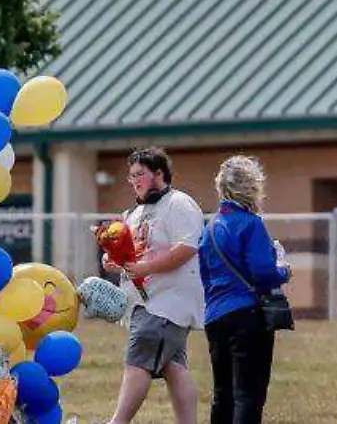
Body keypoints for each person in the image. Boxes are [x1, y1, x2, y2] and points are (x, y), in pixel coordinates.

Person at [104, 147, 206, 424]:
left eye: (140, 174)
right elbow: (132, 251)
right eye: (131, 176)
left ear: (159, 173)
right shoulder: (136, 213)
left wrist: (146, 268)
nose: (134, 181)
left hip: (165, 303)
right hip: (143, 303)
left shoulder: (179, 203)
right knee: (174, 366)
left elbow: (186, 248)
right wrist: (112, 259)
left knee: (137, 363)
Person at [198, 156, 290, 424]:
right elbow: (263, 273)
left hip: (215, 315)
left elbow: (204, 273)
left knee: (222, 394)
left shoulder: (210, 227)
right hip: (247, 314)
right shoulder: (251, 223)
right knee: (249, 394)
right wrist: (284, 271)